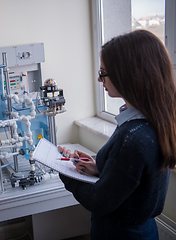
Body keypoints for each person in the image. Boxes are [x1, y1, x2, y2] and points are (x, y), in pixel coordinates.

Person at [58, 30, 175, 240]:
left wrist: (63, 170)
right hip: (142, 228)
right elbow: (133, 178)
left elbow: (98, 201)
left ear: (128, 74)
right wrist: (100, 167)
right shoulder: (151, 122)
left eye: (103, 73)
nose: (99, 79)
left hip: (121, 233)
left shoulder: (133, 137)